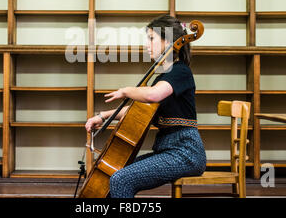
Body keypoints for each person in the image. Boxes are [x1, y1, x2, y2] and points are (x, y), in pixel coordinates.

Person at [84, 15, 207, 198]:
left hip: (186, 153)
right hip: (167, 150)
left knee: (121, 180)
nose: (147, 45)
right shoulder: (163, 77)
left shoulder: (180, 71)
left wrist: (125, 91)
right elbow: (140, 111)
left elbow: (152, 95)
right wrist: (103, 116)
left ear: (168, 41)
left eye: (151, 39)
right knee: (114, 176)